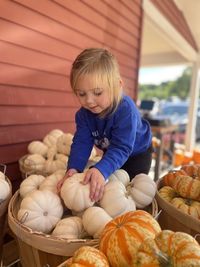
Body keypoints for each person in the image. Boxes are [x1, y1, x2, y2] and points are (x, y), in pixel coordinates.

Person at [57, 48, 153, 202]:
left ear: (117, 85)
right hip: (113, 152)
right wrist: (74, 168)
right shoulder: (84, 115)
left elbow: (122, 147)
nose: (88, 100)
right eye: (81, 94)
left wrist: (101, 169)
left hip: (137, 154)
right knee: (108, 195)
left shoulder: (125, 110)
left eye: (97, 92)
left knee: (131, 195)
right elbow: (81, 143)